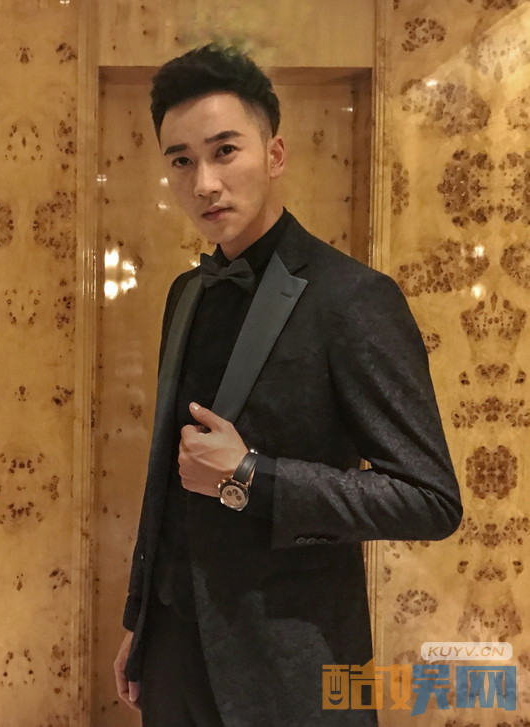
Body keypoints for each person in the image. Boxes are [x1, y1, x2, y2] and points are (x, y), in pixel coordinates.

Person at [113, 43, 463, 727]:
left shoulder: (352, 298)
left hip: (291, 671)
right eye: (181, 161)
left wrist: (251, 476)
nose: (204, 182)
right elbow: (165, 479)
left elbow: (429, 499)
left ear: (274, 155)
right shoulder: (186, 293)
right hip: (173, 653)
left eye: (224, 151)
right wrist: (141, 619)